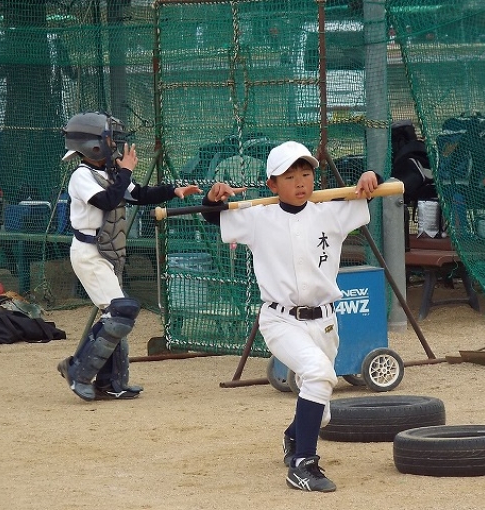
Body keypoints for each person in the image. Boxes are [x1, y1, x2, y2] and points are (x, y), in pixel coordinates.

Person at [201, 141, 382, 492]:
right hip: (280, 320)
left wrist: (372, 176)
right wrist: (213, 198)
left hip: (325, 322)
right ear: (272, 184)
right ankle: (303, 465)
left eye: (306, 173)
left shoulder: (330, 211)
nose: (300, 182)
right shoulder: (258, 216)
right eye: (289, 176)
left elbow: (374, 189)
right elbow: (212, 215)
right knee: (319, 375)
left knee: (320, 411)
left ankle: (294, 437)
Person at [56, 112, 202, 401]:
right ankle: (77, 371)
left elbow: (140, 194)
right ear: (92, 145)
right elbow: (108, 200)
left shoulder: (110, 173)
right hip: (88, 254)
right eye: (110, 139)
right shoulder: (81, 176)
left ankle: (111, 382)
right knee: (119, 313)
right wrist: (125, 172)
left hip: (107, 254)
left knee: (117, 314)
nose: (115, 144)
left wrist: (174, 191)